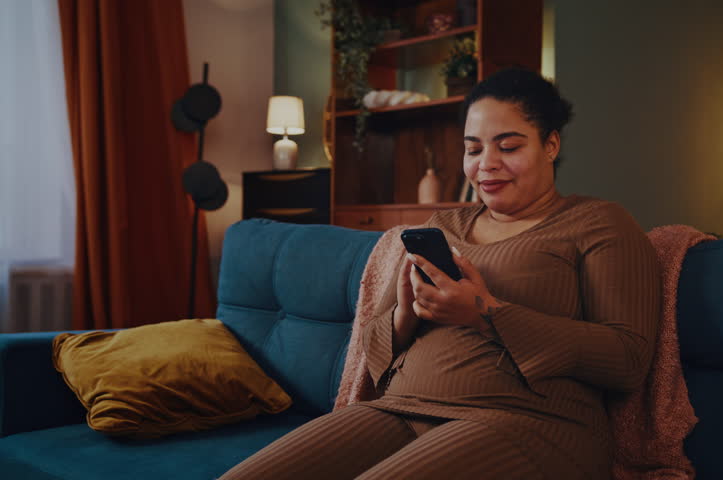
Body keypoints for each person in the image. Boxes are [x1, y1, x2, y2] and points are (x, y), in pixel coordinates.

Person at [220, 67, 661, 480]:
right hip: (399, 409)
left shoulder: (597, 223)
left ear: (550, 145)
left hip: (531, 423)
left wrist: (485, 312)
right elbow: (373, 353)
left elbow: (627, 358)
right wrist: (406, 314)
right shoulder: (441, 227)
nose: (485, 164)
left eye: (508, 146)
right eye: (472, 148)